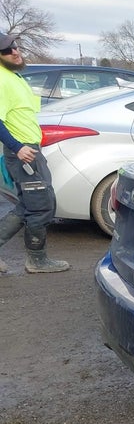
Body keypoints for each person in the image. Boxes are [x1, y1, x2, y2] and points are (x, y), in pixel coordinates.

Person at [0, 32, 69, 274]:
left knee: (30, 205)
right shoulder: (2, 80)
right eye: (6, 50)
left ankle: (37, 259)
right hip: (23, 152)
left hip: (29, 150)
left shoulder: (13, 76)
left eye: (14, 46)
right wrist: (17, 148)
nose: (14, 51)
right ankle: (37, 261)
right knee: (40, 207)